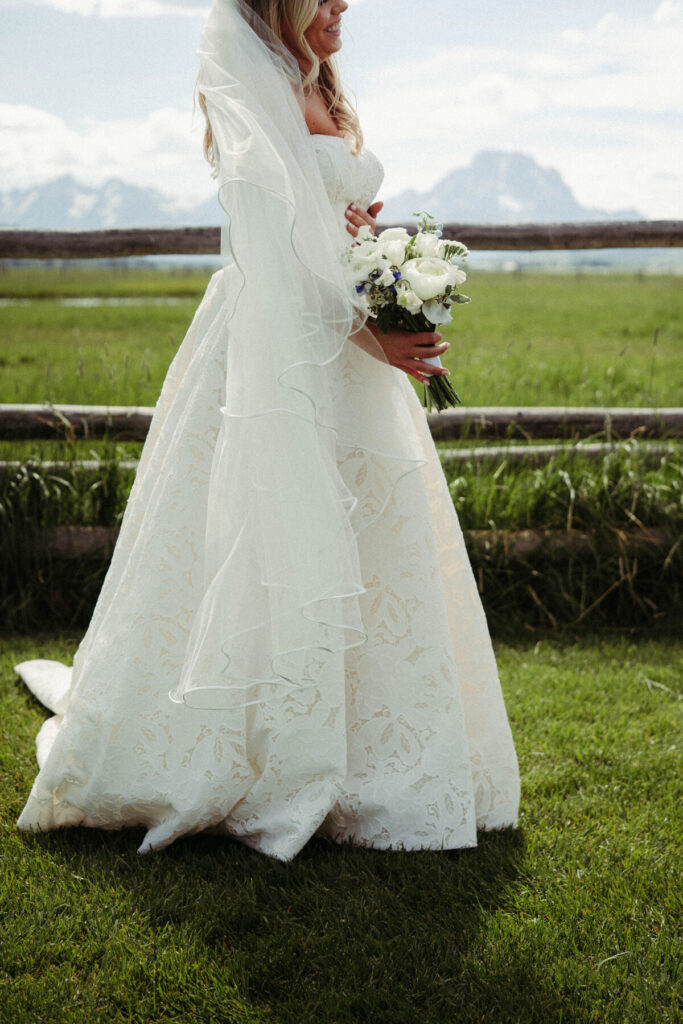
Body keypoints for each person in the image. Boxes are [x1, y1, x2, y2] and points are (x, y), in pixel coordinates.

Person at [15, 0, 520, 862]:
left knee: (369, 543)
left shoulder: (319, 82)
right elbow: (276, 251)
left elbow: (320, 225)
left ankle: (370, 742)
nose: (342, 5)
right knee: (267, 533)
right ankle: (257, 746)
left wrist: (371, 250)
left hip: (344, 344)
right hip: (277, 350)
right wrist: (374, 333)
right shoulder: (252, 87)